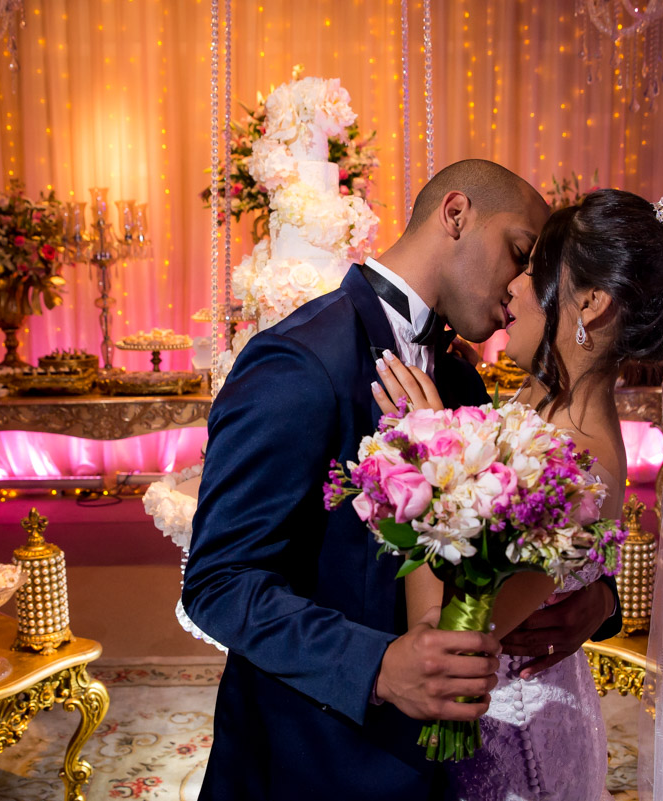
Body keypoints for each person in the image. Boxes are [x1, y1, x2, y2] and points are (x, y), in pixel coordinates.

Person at [182, 159, 623, 800]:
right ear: (456, 214)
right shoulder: (300, 360)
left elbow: (498, 536)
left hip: (444, 769)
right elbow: (219, 583)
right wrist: (378, 668)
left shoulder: (461, 376)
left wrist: (591, 598)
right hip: (314, 762)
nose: (523, 286)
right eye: (521, 252)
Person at [374, 190, 663, 801]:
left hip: (519, 751)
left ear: (589, 302)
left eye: (533, 273)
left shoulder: (583, 459)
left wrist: (425, 451)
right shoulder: (539, 401)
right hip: (498, 724)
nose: (512, 287)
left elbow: (448, 634)